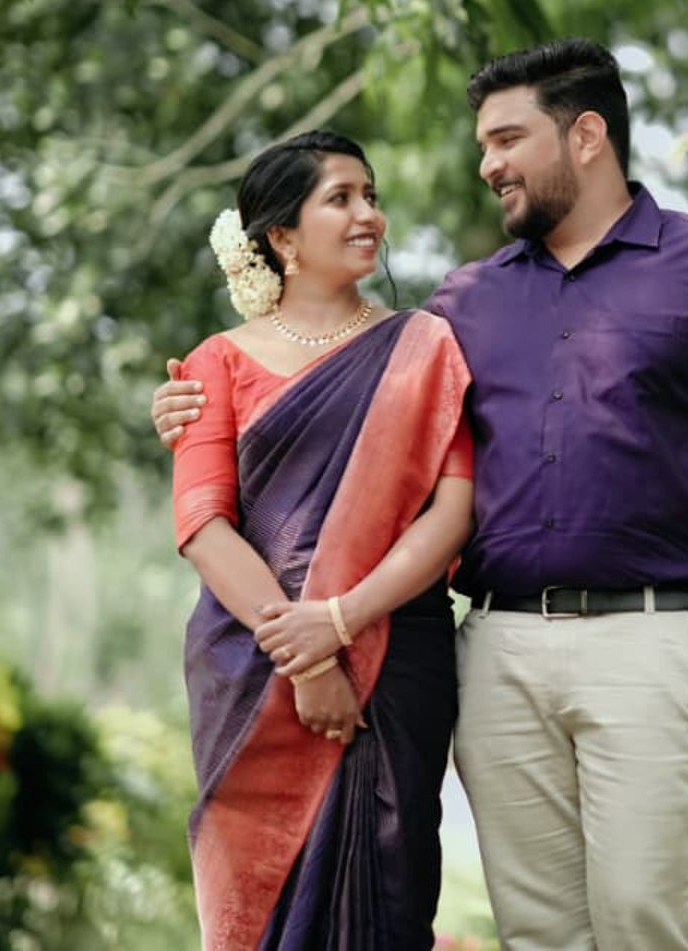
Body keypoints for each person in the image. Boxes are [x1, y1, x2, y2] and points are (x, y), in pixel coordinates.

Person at [155, 40, 688, 951]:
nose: (488, 165)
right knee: (536, 934)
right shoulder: (461, 305)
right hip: (499, 652)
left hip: (658, 642)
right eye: (484, 143)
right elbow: (343, 399)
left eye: (508, 139)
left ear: (586, 134)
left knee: (644, 918)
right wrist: (188, 406)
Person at [168, 130, 475, 951]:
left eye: (370, 195)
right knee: (265, 902)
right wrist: (305, 656)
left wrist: (340, 621)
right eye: (340, 198)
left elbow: (453, 509)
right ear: (281, 236)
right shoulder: (215, 363)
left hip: (396, 648)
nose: (368, 213)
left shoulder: (424, 347)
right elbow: (203, 523)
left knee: (391, 888)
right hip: (251, 662)